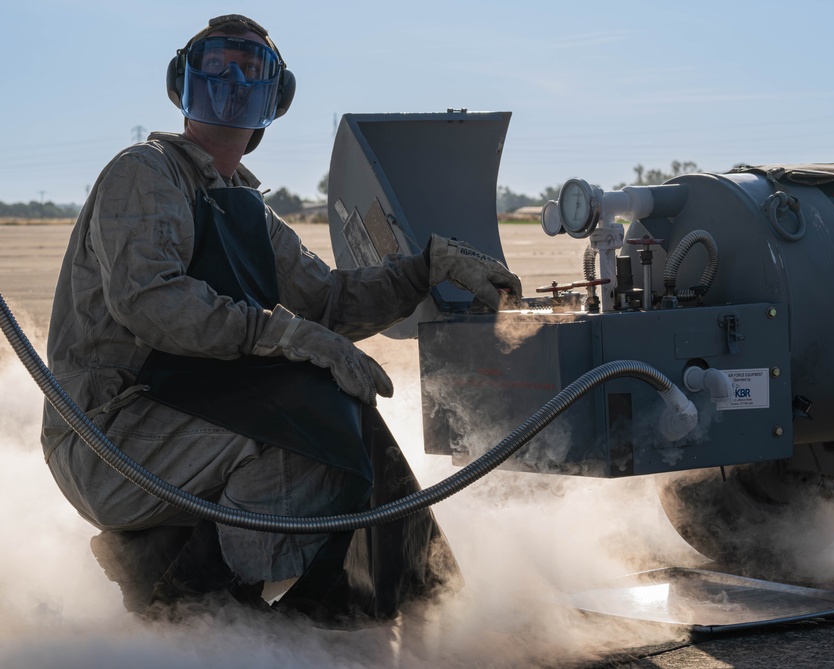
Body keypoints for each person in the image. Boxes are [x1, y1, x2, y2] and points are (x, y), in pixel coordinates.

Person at [40, 14, 522, 623]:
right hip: (109, 436)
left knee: (334, 414)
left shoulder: (245, 205)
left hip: (180, 415)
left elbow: (328, 302)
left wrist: (426, 267)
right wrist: (288, 337)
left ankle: (195, 570)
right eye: (214, 65)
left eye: (250, 69)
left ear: (277, 98)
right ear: (181, 83)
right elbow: (153, 303)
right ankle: (190, 613)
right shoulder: (145, 172)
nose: (230, 81)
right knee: (309, 440)